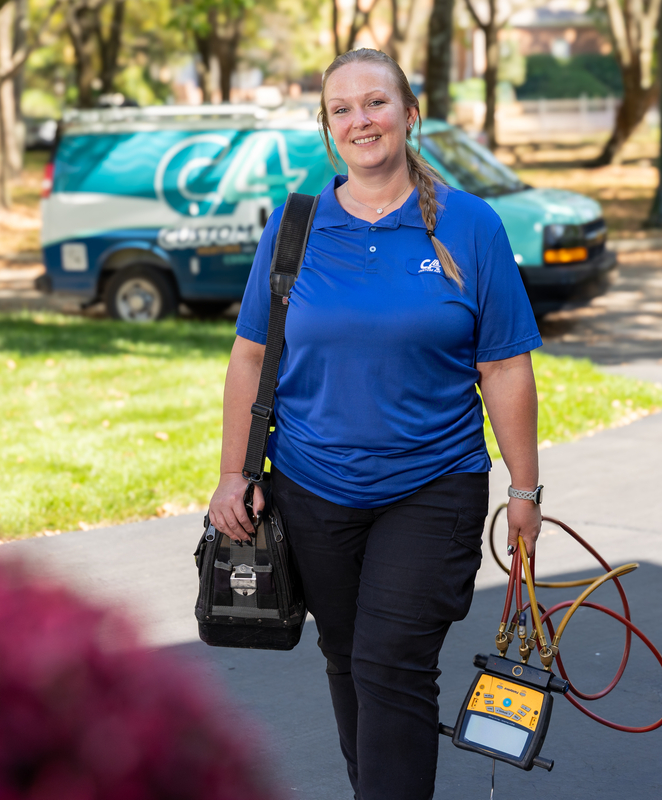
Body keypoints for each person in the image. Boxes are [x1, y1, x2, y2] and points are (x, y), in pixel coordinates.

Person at [206, 48, 543, 800]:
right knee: (348, 653)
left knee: (390, 661)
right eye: (342, 109)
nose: (361, 120)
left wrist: (526, 488)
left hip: (433, 487)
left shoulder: (471, 225)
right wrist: (234, 472)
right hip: (312, 488)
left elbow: (506, 366)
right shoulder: (296, 226)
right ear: (328, 128)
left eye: (376, 103)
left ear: (410, 113)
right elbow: (251, 355)